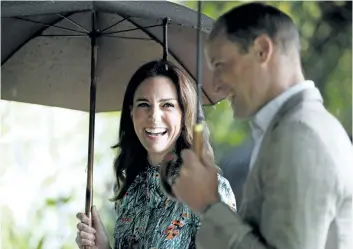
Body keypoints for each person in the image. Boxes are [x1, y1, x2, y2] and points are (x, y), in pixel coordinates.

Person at [171, 3, 353, 249]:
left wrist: (210, 204)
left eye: (220, 66)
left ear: (261, 50)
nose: (216, 86)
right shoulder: (289, 130)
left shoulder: (300, 135)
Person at [75, 60, 236, 249]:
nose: (154, 116)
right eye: (144, 104)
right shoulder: (130, 190)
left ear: (185, 113)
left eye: (167, 105)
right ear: (131, 112)